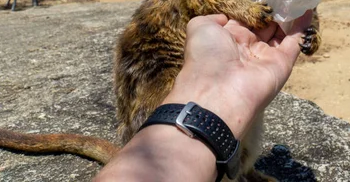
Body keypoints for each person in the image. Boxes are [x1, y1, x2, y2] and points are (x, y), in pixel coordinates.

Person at [94, 10, 314, 182]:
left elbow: (306, 31)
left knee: (250, 115)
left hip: (181, 132)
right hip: (166, 88)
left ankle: (243, 171)